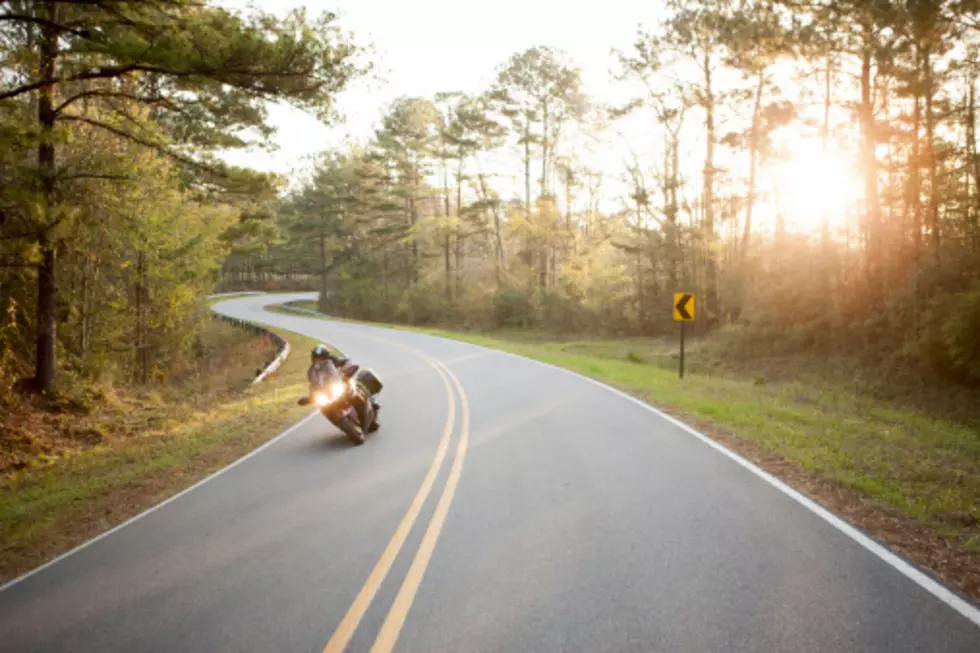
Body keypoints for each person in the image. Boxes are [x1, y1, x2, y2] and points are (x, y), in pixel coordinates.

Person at [301, 344, 380, 430]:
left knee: (354, 391)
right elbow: (313, 385)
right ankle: (343, 423)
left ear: (326, 356)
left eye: (321, 357)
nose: (319, 360)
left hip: (338, 384)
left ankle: (371, 402)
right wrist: (310, 397)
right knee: (324, 407)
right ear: (313, 358)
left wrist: (346, 368)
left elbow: (345, 362)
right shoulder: (311, 371)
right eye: (317, 358)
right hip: (326, 393)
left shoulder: (333, 360)